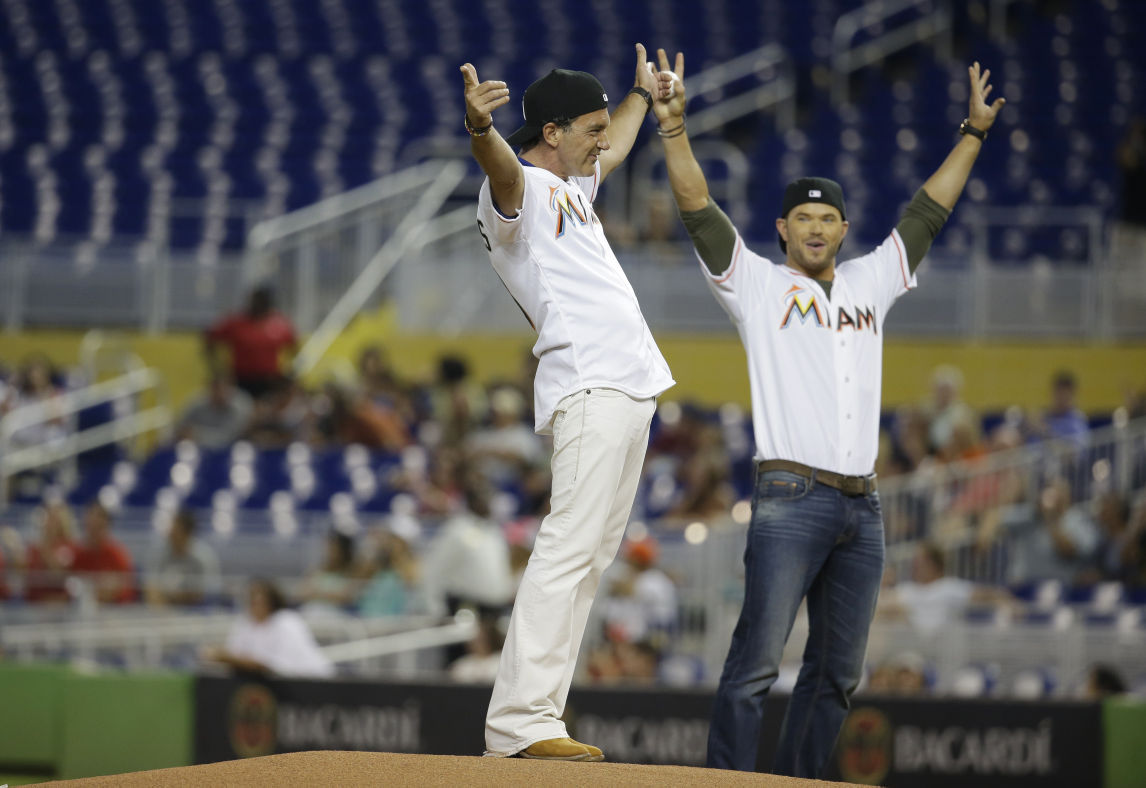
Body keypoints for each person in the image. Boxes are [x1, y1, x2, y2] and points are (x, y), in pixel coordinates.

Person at [652, 49, 1005, 776]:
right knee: (755, 664)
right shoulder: (755, 285)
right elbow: (697, 209)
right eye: (803, 218)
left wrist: (972, 133)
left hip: (862, 506)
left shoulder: (871, 281)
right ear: (781, 228)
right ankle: (728, 780)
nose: (816, 229)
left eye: (829, 218)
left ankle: (804, 782)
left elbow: (928, 213)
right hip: (789, 496)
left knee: (838, 675)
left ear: (844, 229)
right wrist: (674, 130)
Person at [460, 44, 677, 761]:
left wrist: (640, 96)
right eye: (590, 127)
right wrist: (480, 132)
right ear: (551, 132)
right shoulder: (516, 188)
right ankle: (520, 726)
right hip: (589, 383)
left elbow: (615, 143)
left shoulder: (575, 188)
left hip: (626, 388)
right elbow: (501, 172)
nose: (603, 139)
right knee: (564, 551)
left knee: (586, 561)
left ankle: (540, 718)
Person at [201, 578, 334, 678]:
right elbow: (235, 655)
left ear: (272, 602)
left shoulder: (287, 621)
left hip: (315, 680)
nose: (254, 605)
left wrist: (224, 657)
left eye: (259, 601)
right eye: (251, 600)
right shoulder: (244, 622)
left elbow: (269, 666)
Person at [204, 286, 297, 400]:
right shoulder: (235, 322)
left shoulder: (279, 323)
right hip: (240, 379)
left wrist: (287, 372)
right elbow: (210, 340)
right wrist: (217, 369)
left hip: (269, 381)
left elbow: (293, 348)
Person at [145, 508, 222, 607]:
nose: (170, 533)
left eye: (175, 529)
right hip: (164, 608)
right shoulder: (160, 554)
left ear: (187, 533)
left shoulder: (203, 557)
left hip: (196, 611)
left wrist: (180, 597)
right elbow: (151, 585)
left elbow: (207, 592)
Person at [72, 501, 136, 604]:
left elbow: (128, 592)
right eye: (90, 526)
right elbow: (67, 586)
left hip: (112, 612)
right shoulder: (77, 554)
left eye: (98, 527)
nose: (93, 531)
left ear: (106, 526)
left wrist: (115, 591)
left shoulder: (117, 554)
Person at [175, 373, 254, 450]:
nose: (220, 393)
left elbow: (229, 437)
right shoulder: (197, 404)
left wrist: (197, 434)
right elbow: (178, 426)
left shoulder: (241, 406)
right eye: (216, 389)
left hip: (231, 452)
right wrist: (183, 433)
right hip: (199, 451)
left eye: (224, 389)